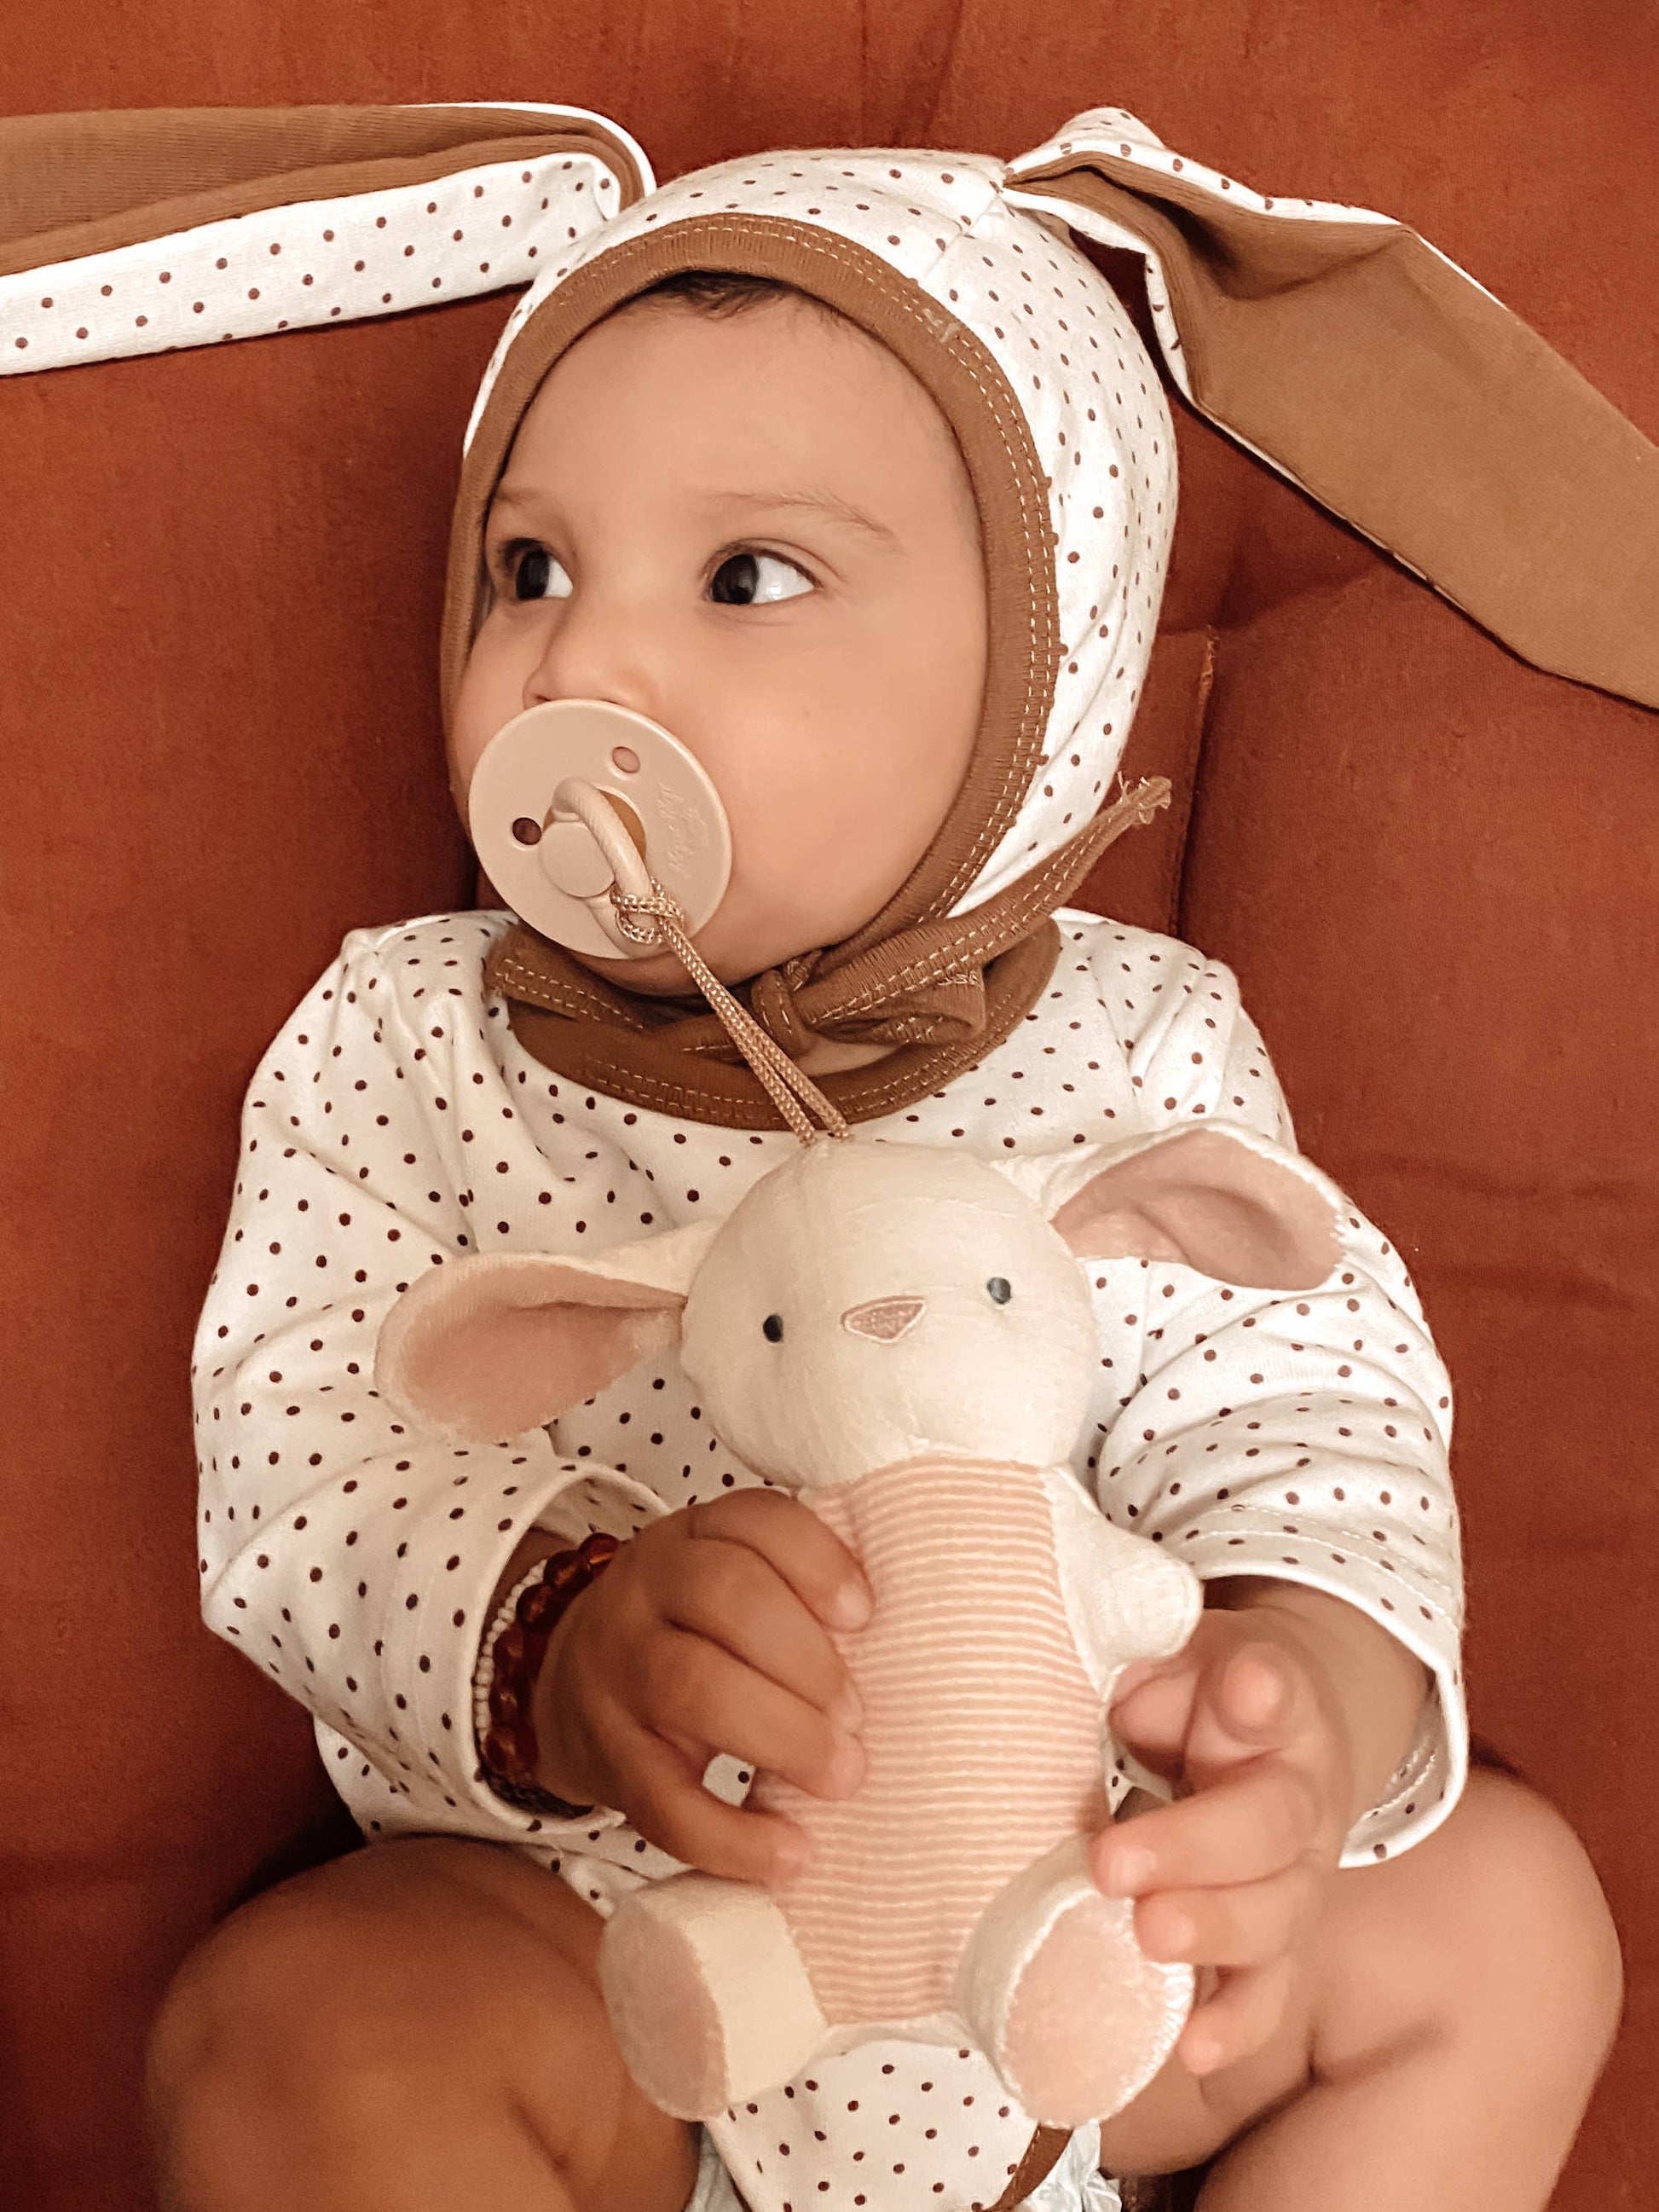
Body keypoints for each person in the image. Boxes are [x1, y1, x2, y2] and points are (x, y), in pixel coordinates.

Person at [131, 125, 1630, 2212]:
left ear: (1040, 674)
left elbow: (1298, 1405)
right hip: (607, 1959)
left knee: (1508, 1923)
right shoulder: (402, 1045)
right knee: (299, 2028)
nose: (575, 668)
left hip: (1084, 1934)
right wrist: (558, 1640)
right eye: (528, 569)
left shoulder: (1140, 1045)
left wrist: (1300, 1702)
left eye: (746, 579)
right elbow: (308, 1455)